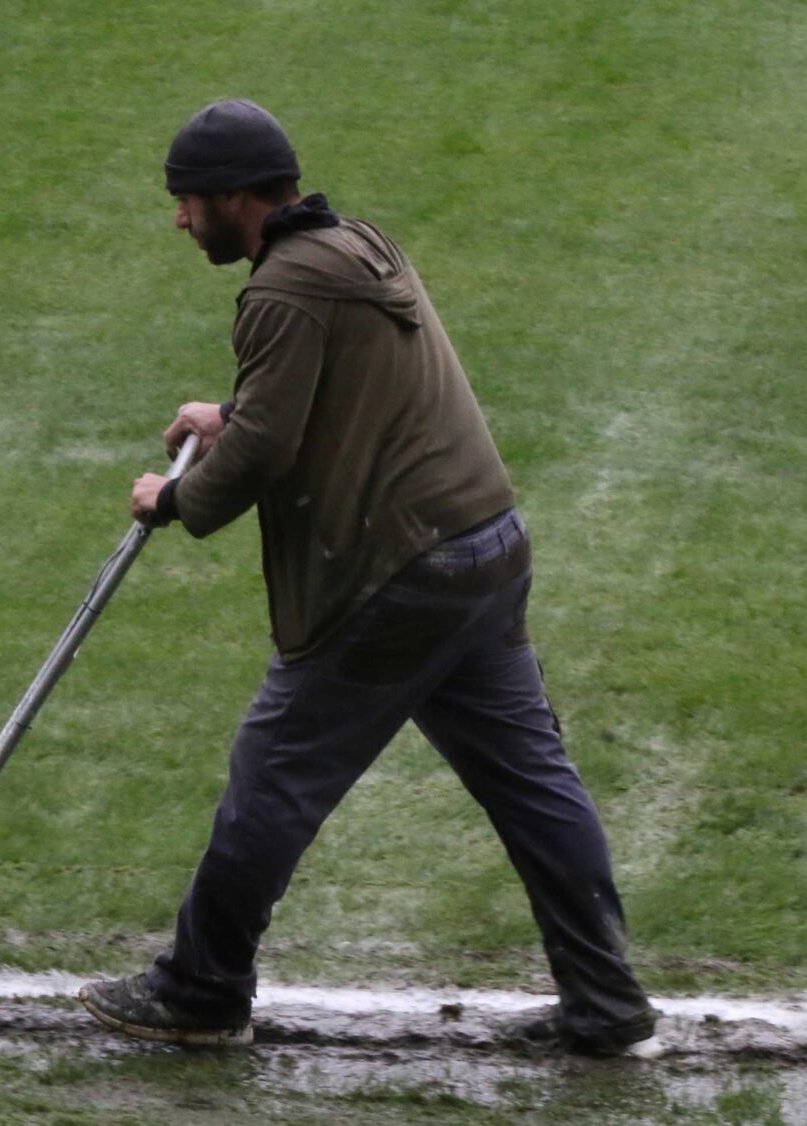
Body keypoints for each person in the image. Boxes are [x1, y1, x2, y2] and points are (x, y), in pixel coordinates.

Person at [76, 99, 658, 1056]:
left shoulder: (281, 290)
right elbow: (310, 395)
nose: (180, 221)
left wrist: (171, 501)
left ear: (234, 198)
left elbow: (265, 449)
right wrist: (231, 410)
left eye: (187, 202)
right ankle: (606, 1002)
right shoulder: (356, 247)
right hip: (486, 546)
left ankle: (202, 989)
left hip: (400, 575)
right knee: (531, 784)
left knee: (273, 778)